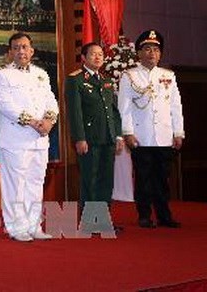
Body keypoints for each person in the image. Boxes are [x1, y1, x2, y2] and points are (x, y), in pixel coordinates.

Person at [0, 32, 58, 242]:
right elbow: (5, 105)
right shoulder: (2, 75)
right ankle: (15, 227)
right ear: (10, 51)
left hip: (39, 139)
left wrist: (48, 121)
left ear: (32, 50)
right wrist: (33, 122)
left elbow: (51, 101)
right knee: (15, 185)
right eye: (16, 47)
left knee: (36, 183)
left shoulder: (41, 74)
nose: (21, 51)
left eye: (25, 47)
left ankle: (34, 225)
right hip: (15, 139)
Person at [118, 29, 184, 229]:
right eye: (147, 49)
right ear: (139, 53)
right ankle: (144, 215)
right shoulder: (129, 76)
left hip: (164, 136)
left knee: (162, 179)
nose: (152, 53)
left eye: (156, 49)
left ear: (160, 53)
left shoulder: (168, 76)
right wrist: (127, 132)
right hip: (141, 136)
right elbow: (125, 107)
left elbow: (175, 106)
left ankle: (164, 215)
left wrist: (178, 132)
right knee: (144, 178)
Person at [65, 42, 124, 228]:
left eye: (100, 54)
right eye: (93, 54)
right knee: (90, 179)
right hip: (89, 139)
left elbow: (113, 112)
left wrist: (118, 136)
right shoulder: (75, 80)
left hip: (107, 138)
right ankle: (90, 221)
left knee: (106, 180)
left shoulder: (105, 80)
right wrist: (79, 138)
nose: (98, 57)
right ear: (83, 57)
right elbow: (75, 113)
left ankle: (103, 220)